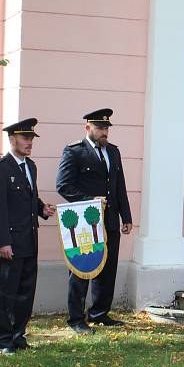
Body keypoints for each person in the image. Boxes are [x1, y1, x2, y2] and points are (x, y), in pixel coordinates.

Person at [56, 109, 132, 333]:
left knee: (108, 268)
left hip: (109, 219)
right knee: (82, 269)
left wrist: (126, 216)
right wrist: (90, 200)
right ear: (87, 128)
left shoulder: (113, 152)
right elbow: (63, 185)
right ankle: (76, 319)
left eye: (106, 128)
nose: (104, 132)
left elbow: (119, 186)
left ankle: (100, 313)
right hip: (85, 221)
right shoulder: (74, 152)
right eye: (99, 128)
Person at [0, 118, 55, 354]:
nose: (29, 143)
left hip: (29, 238)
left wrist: (42, 209)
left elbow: (29, 198)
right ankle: (4, 340)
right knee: (6, 292)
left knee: (25, 291)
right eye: (25, 138)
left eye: (31, 139)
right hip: (11, 242)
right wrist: (3, 241)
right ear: (12, 138)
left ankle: (18, 335)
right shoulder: (0, 167)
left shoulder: (30, 166)